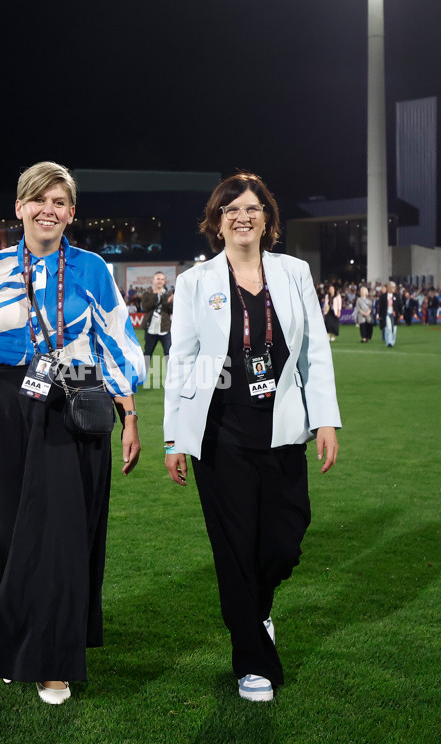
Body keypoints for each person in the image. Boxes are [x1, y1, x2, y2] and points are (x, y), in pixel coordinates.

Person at [0, 162, 145, 706]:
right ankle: (13, 638)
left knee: (57, 538)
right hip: (7, 408)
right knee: (4, 530)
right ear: (19, 207)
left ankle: (51, 663)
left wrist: (131, 417)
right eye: (38, 199)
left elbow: (118, 344)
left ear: (72, 213)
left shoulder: (94, 269)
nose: (48, 209)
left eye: (60, 202)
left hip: (75, 405)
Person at [163, 171, 341, 702]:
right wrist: (176, 437)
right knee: (235, 550)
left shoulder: (294, 273)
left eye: (252, 208)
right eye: (231, 209)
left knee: (284, 542)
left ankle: (258, 611)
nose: (243, 216)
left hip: (284, 427)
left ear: (268, 219)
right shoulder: (196, 283)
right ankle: (252, 662)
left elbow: (314, 352)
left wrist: (325, 417)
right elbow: (185, 361)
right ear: (217, 223)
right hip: (222, 435)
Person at [140, 271, 174, 359]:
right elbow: (145, 308)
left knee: (168, 354)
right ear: (153, 280)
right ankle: (144, 372)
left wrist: (170, 302)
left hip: (165, 329)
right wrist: (155, 296)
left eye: (162, 279)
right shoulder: (147, 293)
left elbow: (170, 310)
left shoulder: (168, 294)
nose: (160, 281)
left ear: (164, 281)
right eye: (158, 279)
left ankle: (171, 373)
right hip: (150, 329)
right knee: (147, 354)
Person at [378, 281, 402, 347]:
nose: (394, 288)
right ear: (388, 288)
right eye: (393, 287)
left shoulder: (397, 296)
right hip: (386, 314)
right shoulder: (383, 296)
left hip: (394, 315)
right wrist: (379, 315)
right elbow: (381, 307)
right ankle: (389, 342)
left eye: (395, 287)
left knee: (394, 329)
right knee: (388, 328)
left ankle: (393, 341)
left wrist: (401, 314)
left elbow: (400, 305)